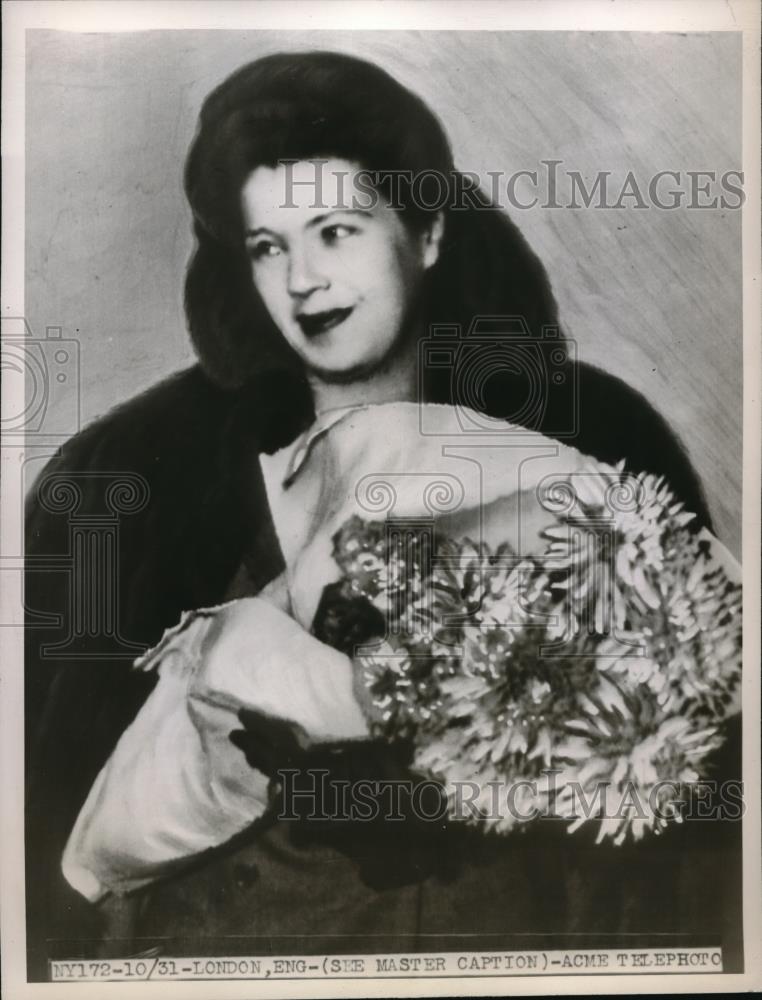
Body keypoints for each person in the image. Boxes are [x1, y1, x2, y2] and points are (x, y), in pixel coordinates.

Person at [24, 50, 741, 979]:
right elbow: (61, 839)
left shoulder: (595, 436)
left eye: (335, 230)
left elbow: (709, 758)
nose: (304, 282)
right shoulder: (130, 480)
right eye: (269, 246)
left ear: (427, 232)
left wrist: (468, 794)